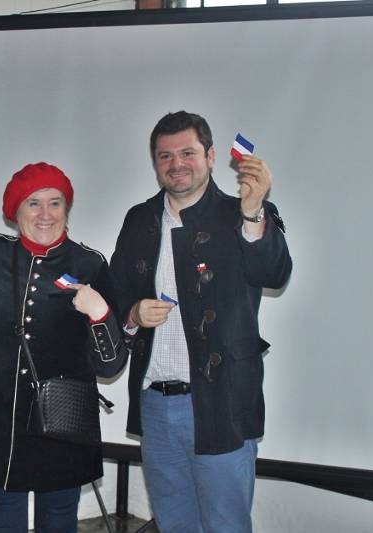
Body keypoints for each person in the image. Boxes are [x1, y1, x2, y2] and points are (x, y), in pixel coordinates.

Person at [109, 111, 292, 532]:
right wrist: (134, 314)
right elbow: (117, 296)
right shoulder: (139, 219)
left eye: (188, 152)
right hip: (156, 403)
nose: (177, 164)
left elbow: (274, 273)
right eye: (165, 156)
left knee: (226, 523)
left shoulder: (242, 212)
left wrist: (252, 213)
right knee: (173, 523)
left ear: (211, 156)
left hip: (222, 403)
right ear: (155, 162)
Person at [0, 162, 126, 532]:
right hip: (0, 420)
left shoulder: (89, 264)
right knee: (1, 522)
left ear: (67, 209)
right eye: (33, 203)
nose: (45, 214)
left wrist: (100, 315)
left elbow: (111, 365)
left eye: (55, 202)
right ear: (15, 212)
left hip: (62, 420)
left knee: (58, 522)